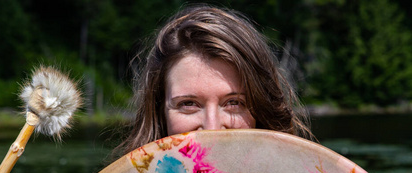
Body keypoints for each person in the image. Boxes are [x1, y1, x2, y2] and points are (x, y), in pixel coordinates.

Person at [120, 4, 314, 154]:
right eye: (188, 103)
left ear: (262, 111)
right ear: (160, 113)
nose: (212, 129)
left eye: (234, 102)